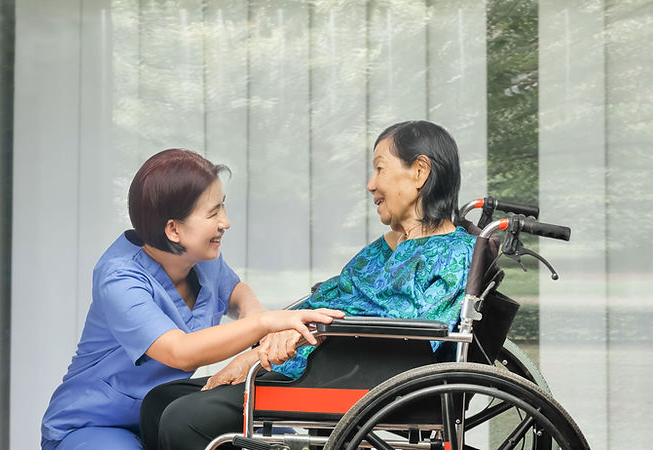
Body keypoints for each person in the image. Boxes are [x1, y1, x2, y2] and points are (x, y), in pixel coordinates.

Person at [140, 120, 477, 450]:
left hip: (354, 379)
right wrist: (267, 337)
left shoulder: (455, 253)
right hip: (316, 364)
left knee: (184, 418)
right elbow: (334, 294)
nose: (371, 184)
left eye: (380, 169)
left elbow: (409, 333)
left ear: (419, 172)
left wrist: (286, 341)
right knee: (160, 400)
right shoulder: (390, 245)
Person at [40, 149, 343, 450]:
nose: (226, 222)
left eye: (223, 207)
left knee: (276, 438)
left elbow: (237, 293)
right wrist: (266, 322)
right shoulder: (119, 278)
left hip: (164, 410)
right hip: (98, 422)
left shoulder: (201, 258)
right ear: (173, 229)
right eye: (213, 213)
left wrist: (259, 326)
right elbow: (179, 351)